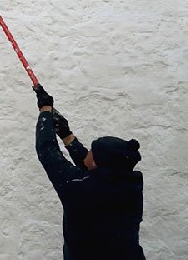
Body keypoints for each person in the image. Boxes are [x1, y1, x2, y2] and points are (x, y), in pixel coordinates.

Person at [34, 84, 145, 259]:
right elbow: (92, 166)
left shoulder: (80, 188)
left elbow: (47, 151)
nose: (88, 153)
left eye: (92, 151)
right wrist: (66, 134)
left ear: (97, 162)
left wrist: (45, 111)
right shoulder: (130, 184)